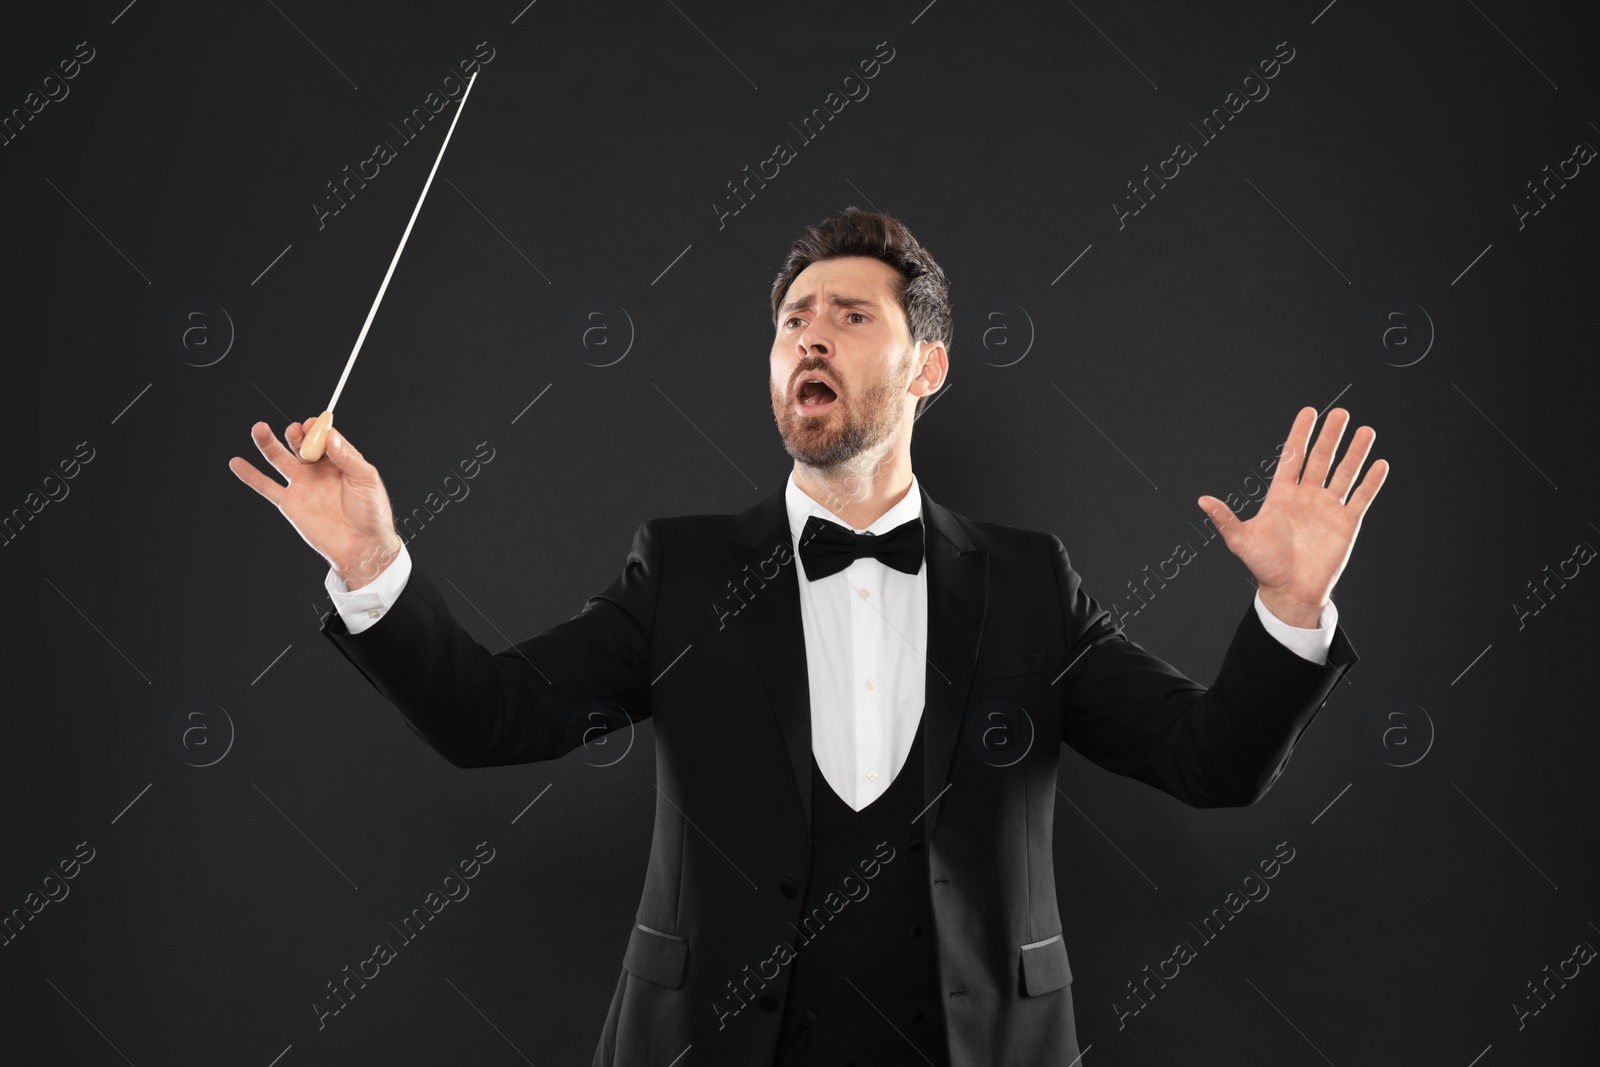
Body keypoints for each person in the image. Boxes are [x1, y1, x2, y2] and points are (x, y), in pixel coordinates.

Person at [229, 208, 1386, 1066]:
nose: (809, 338)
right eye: (791, 321)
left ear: (927, 365)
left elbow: (1208, 761)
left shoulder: (1032, 582)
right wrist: (372, 562)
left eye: (849, 315)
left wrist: (1288, 610)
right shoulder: (678, 572)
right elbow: (492, 718)